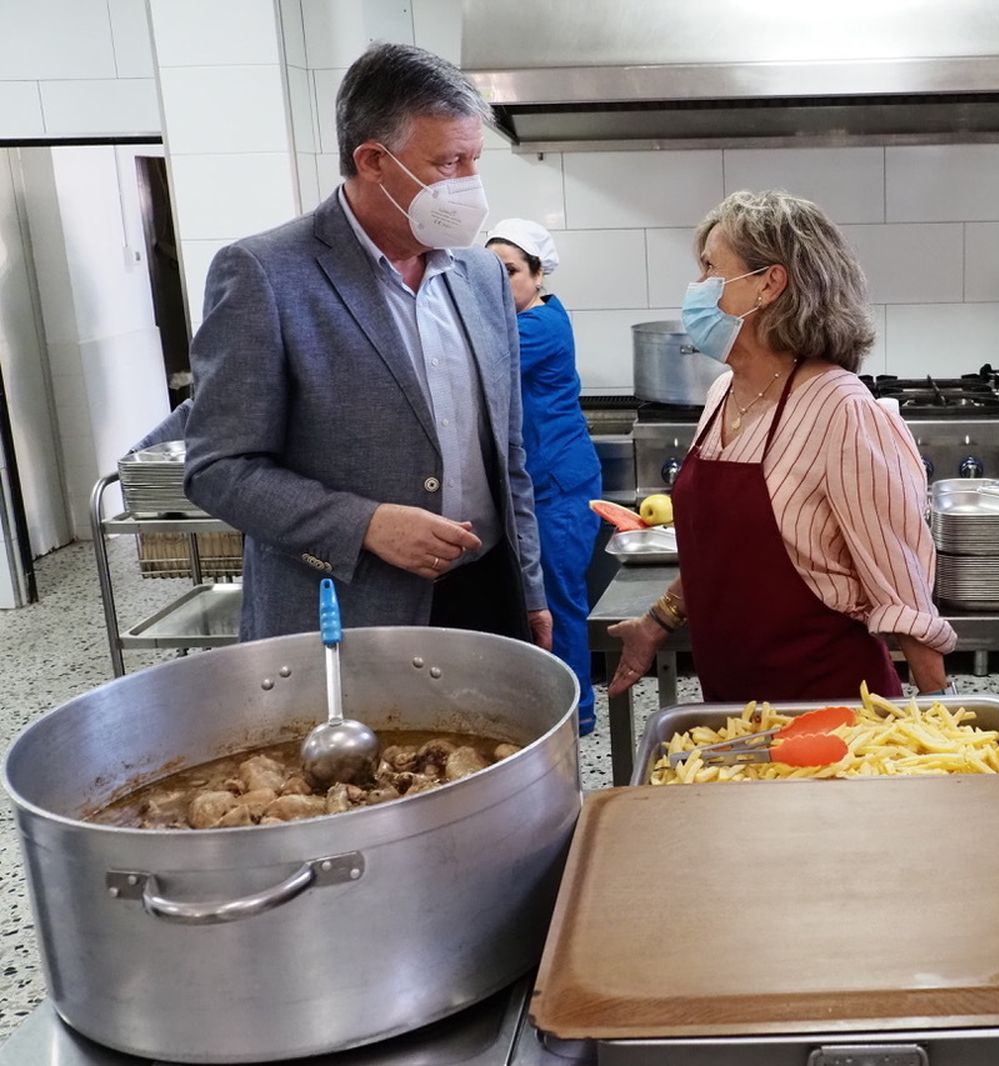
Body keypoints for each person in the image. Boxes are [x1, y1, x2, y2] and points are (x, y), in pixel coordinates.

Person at [184, 43, 553, 648]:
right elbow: (219, 469)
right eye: (449, 163)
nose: (470, 185)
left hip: (485, 593)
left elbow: (506, 454)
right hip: (350, 610)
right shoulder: (266, 274)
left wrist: (529, 591)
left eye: (476, 160)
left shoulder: (482, 276)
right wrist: (365, 525)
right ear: (374, 160)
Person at [605, 190, 957, 701]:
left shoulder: (840, 408)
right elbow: (723, 550)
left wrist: (945, 725)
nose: (697, 286)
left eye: (709, 268)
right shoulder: (724, 393)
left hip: (835, 714)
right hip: (732, 707)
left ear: (768, 284)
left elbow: (901, 587)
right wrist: (658, 619)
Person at [487, 220, 601, 734]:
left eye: (508, 271)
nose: (495, 281)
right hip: (539, 485)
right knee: (543, 603)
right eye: (485, 271)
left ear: (537, 275)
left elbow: (479, 360)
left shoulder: (535, 329)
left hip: (558, 488)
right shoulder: (525, 318)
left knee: (557, 603)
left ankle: (576, 717)